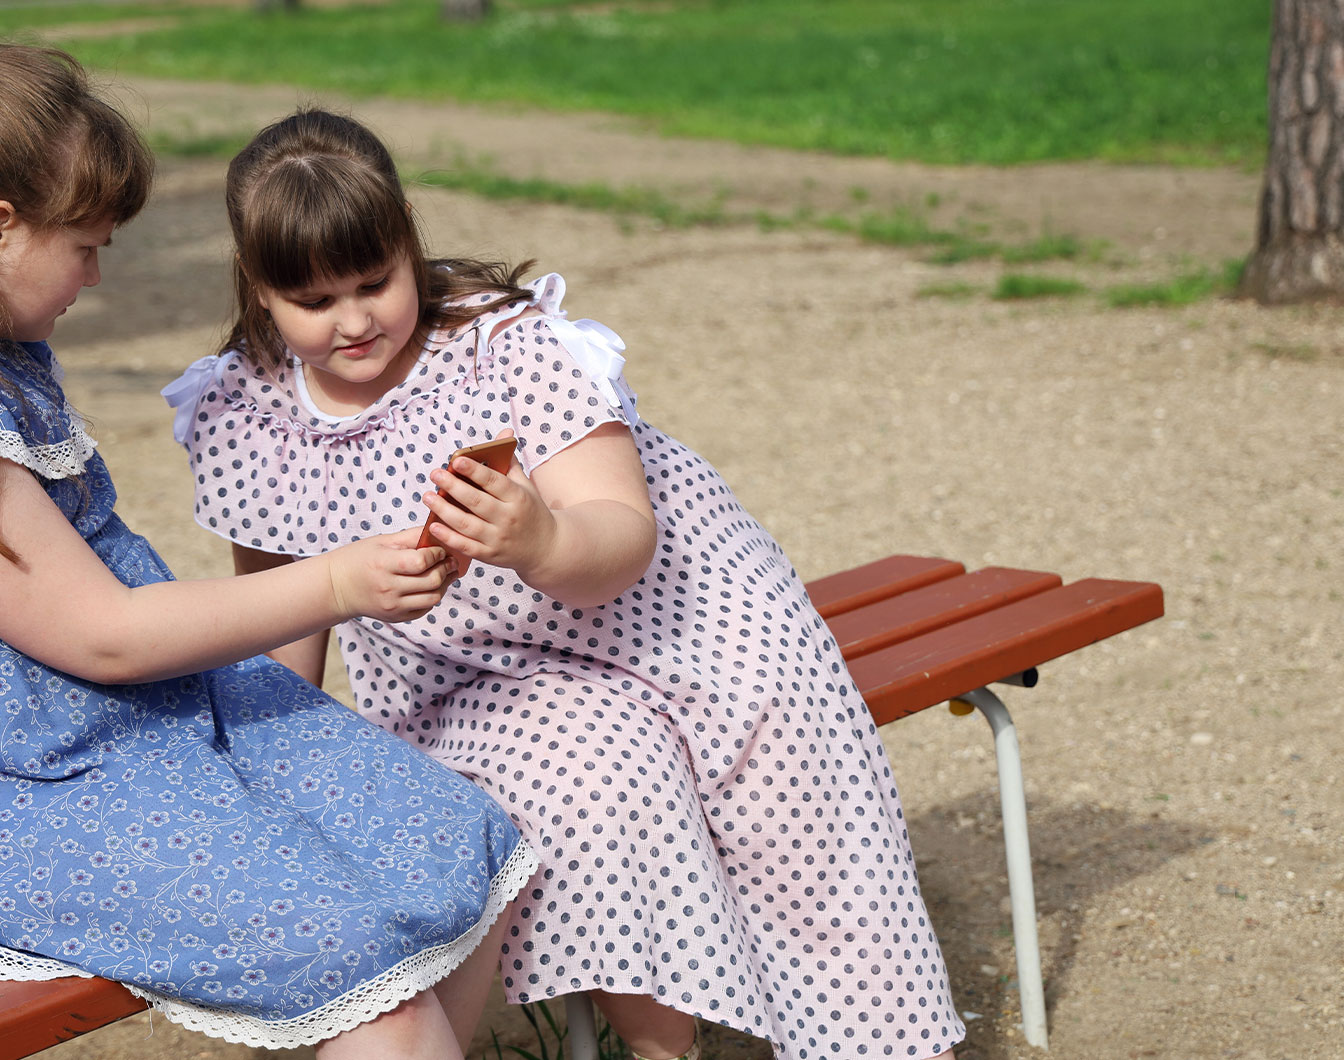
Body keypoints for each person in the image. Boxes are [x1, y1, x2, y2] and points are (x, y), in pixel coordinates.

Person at [0, 48, 538, 1058]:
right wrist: (334, 583)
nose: (99, 272)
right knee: (353, 960)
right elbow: (104, 634)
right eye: (85, 245)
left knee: (448, 842)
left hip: (124, 724)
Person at [163, 108, 965, 1060]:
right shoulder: (248, 412)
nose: (353, 321)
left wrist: (537, 537)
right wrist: (264, 774)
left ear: (408, 245)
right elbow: (282, 627)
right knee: (592, 781)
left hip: (675, 621)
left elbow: (623, 535)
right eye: (312, 300)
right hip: (479, 677)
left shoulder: (509, 347)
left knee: (787, 823)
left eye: (375, 283)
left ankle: (880, 1037)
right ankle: (665, 1045)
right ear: (259, 292)